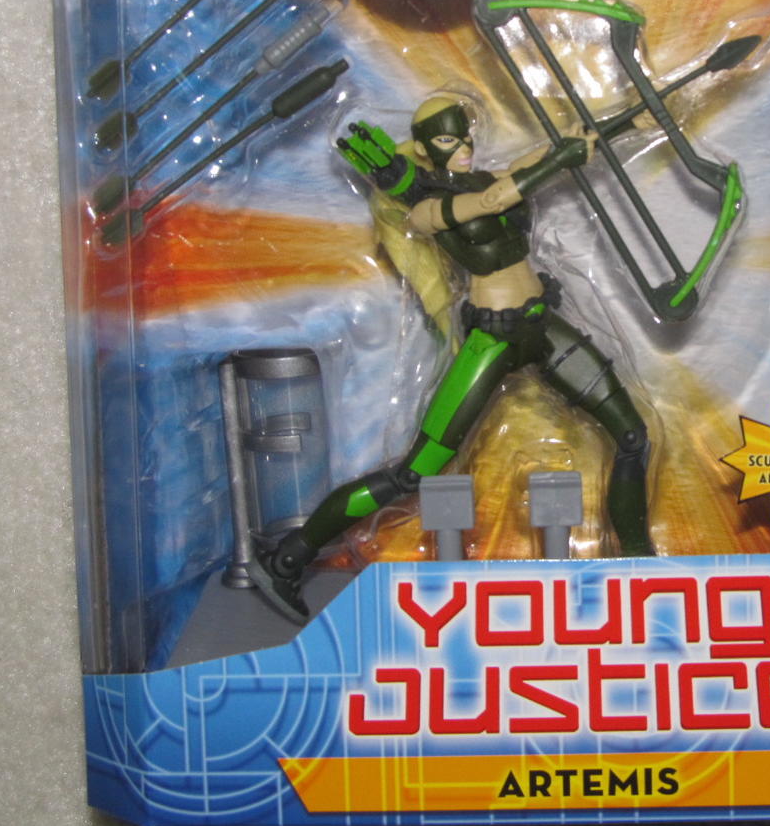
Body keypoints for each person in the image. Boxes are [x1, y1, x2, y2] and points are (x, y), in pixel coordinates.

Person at [248, 92, 654, 620]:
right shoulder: (428, 208)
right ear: (422, 149)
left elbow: (532, 163)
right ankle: (291, 555)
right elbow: (494, 201)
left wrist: (616, 126)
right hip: (492, 340)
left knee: (631, 435)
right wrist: (558, 160)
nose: (462, 148)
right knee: (413, 475)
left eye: (464, 136)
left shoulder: (483, 178)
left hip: (540, 326)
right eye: (446, 140)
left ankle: (644, 565)